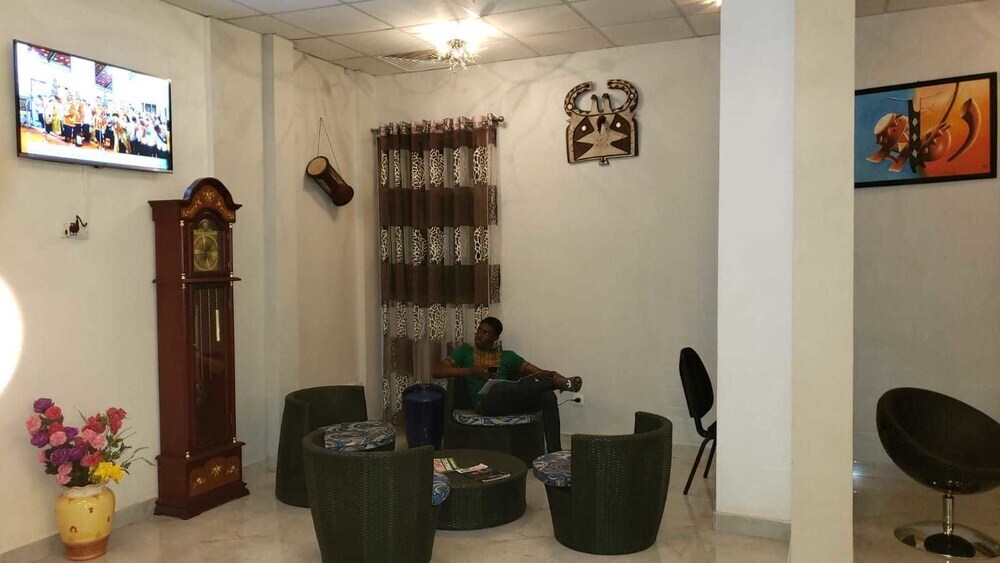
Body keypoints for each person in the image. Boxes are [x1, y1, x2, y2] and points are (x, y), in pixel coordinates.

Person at [431, 317, 582, 453]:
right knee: (497, 389)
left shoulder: (508, 356)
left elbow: (538, 372)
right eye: (479, 330)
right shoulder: (464, 351)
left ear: (495, 338)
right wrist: (471, 371)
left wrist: (554, 375)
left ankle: (555, 453)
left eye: (486, 333)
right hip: (486, 404)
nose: (479, 335)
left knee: (548, 396)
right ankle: (552, 385)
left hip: (512, 402)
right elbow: (437, 371)